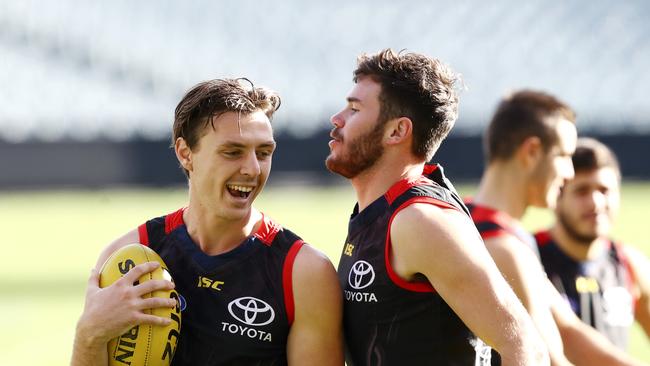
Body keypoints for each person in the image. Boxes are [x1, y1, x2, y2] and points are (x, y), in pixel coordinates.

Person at [71, 78, 344, 365]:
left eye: (264, 153)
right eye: (233, 152)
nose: (252, 169)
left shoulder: (303, 273)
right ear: (185, 153)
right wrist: (89, 333)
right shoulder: (129, 258)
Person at [326, 48, 548, 366]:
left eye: (354, 109)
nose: (337, 119)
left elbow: (525, 348)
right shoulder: (385, 210)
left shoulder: (420, 221)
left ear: (397, 131)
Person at [468, 90, 645, 365]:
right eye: (563, 156)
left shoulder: (479, 224)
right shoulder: (501, 245)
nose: (569, 173)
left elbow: (569, 331)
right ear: (532, 152)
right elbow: (550, 359)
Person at [534, 137, 650, 349]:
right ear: (556, 197)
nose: (596, 203)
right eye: (582, 191)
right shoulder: (528, 257)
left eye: (605, 190)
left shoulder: (629, 265)